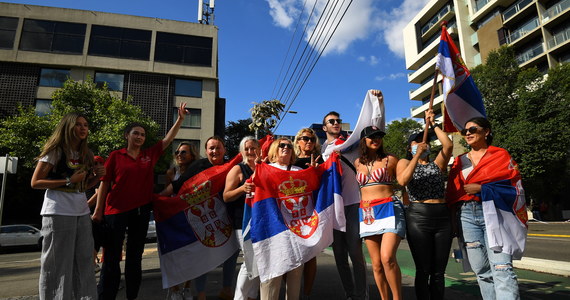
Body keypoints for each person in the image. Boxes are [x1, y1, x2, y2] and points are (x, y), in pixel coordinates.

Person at [93, 103, 188, 300]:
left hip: (140, 211)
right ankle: (106, 296)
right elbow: (104, 184)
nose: (139, 137)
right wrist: (98, 211)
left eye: (142, 135)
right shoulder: (115, 156)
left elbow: (168, 140)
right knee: (111, 259)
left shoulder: (149, 155)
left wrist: (180, 119)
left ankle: (132, 296)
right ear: (127, 136)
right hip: (115, 212)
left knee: (134, 259)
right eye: (136, 133)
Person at [446, 117, 524, 299]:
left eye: (472, 129)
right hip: (466, 216)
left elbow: (515, 188)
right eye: (464, 131)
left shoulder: (500, 155)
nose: (467, 133)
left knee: (502, 268)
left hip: (496, 214)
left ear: (486, 132)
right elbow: (452, 193)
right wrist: (453, 222)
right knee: (481, 270)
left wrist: (483, 189)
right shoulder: (459, 161)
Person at [31, 112, 106, 300]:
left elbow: (81, 186)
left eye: (85, 125)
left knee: (84, 261)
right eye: (78, 124)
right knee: (57, 263)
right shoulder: (55, 151)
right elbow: (36, 182)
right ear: (68, 127)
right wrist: (67, 179)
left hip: (81, 211)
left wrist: (97, 177)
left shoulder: (86, 153)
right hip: (57, 211)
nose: (83, 128)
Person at [162, 136, 238, 300]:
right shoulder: (198, 166)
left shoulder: (231, 167)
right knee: (202, 254)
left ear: (224, 150)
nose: (215, 151)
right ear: (206, 151)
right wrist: (160, 198)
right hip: (203, 220)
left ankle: (226, 289)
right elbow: (179, 185)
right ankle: (201, 293)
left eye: (218, 148)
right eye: (211, 148)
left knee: (231, 252)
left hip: (227, 218)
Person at [396, 109, 453, 300]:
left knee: (438, 271)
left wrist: (433, 123)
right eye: (417, 141)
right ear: (409, 146)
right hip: (418, 217)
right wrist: (415, 156)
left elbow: (448, 145)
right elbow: (403, 181)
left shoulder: (437, 164)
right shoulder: (404, 162)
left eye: (424, 140)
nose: (422, 142)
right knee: (423, 268)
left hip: (442, 217)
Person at [321, 111, 368, 300]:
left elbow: (372, 129)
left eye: (338, 121)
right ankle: (350, 293)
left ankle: (361, 294)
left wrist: (377, 102)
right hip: (334, 208)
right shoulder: (323, 148)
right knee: (339, 255)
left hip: (353, 203)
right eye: (331, 121)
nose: (336, 123)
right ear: (324, 127)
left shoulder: (351, 143)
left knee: (356, 253)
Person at [354, 126, 405, 300]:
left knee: (387, 258)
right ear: (363, 140)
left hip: (389, 208)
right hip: (368, 212)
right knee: (376, 265)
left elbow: (404, 182)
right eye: (371, 136)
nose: (376, 139)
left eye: (379, 136)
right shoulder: (357, 163)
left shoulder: (390, 159)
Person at [258, 137, 304, 300]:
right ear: (274, 149)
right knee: (272, 274)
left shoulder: (300, 171)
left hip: (296, 229)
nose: (286, 148)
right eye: (281, 145)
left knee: (296, 274)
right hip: (272, 230)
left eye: (289, 146)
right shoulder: (264, 169)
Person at [223, 136, 261, 300]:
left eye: (253, 148)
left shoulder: (263, 167)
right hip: (242, 223)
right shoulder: (238, 169)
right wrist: (241, 189)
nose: (250, 151)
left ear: (259, 150)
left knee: (259, 262)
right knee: (250, 261)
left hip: (261, 223)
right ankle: (239, 297)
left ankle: (251, 296)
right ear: (242, 151)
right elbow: (226, 196)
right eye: (247, 149)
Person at [164, 142, 198, 300]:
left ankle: (187, 288)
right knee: (174, 256)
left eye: (184, 152)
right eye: (178, 152)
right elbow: (166, 196)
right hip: (174, 219)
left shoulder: (196, 172)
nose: (180, 154)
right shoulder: (171, 173)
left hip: (191, 218)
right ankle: (175, 288)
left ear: (192, 155)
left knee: (190, 256)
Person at [292, 128, 323, 299]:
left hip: (312, 212)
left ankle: (307, 294)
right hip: (292, 213)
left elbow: (325, 184)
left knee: (310, 255)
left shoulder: (319, 159)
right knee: (292, 253)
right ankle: (292, 290)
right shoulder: (292, 161)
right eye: (305, 138)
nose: (309, 142)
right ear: (298, 141)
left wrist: (316, 171)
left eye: (312, 139)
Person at [87, 155, 107, 274]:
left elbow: (99, 193)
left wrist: (86, 205)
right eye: (95, 164)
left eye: (100, 163)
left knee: (95, 240)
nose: (98, 166)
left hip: (96, 215)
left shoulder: (99, 180)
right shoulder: (88, 178)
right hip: (88, 214)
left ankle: (93, 262)